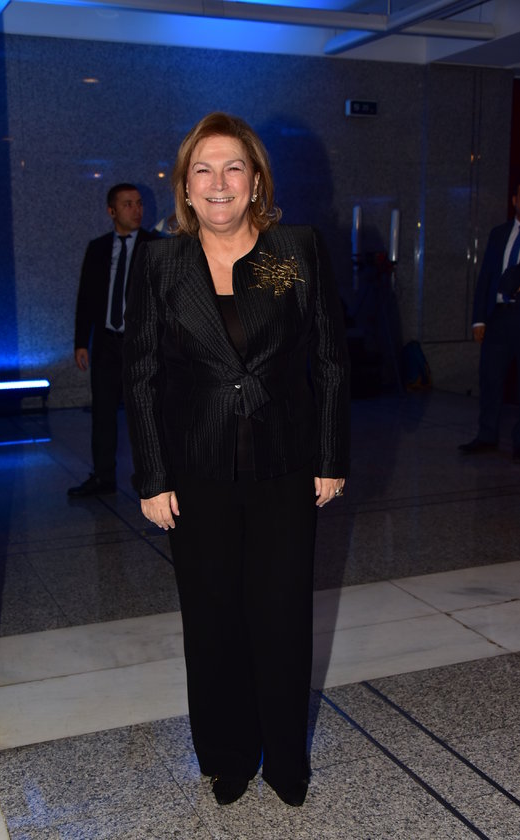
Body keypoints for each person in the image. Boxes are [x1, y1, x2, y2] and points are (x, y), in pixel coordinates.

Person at [123, 113, 350, 807]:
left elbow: (328, 359)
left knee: (281, 617)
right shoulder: (163, 264)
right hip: (197, 472)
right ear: (185, 187)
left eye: (232, 168)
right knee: (212, 619)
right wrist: (152, 476)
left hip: (285, 465)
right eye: (203, 169)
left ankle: (285, 760)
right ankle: (227, 756)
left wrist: (329, 455)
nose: (218, 182)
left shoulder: (291, 252)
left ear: (255, 182)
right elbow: (141, 375)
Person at [68, 183, 158, 497]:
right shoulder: (98, 248)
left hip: (141, 344)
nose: (137, 210)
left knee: (145, 413)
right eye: (128, 204)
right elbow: (86, 297)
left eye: (139, 203)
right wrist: (81, 341)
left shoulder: (154, 246)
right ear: (112, 211)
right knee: (103, 412)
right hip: (106, 343)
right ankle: (103, 476)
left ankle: (152, 477)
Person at [459, 180, 520, 460]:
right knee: (490, 376)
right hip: (498, 316)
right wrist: (478, 320)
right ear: (515, 200)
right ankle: (487, 434)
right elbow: (485, 276)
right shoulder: (499, 234)